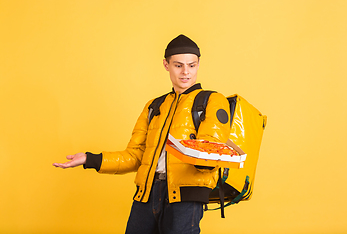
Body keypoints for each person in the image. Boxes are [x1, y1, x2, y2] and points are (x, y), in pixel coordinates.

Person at [53, 34, 231, 234]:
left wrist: (202, 157)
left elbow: (210, 146)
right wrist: (89, 159)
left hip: (185, 197)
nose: (185, 72)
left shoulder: (213, 100)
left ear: (198, 65)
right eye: (178, 65)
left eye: (191, 65)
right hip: (146, 195)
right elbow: (135, 156)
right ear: (166, 64)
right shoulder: (154, 106)